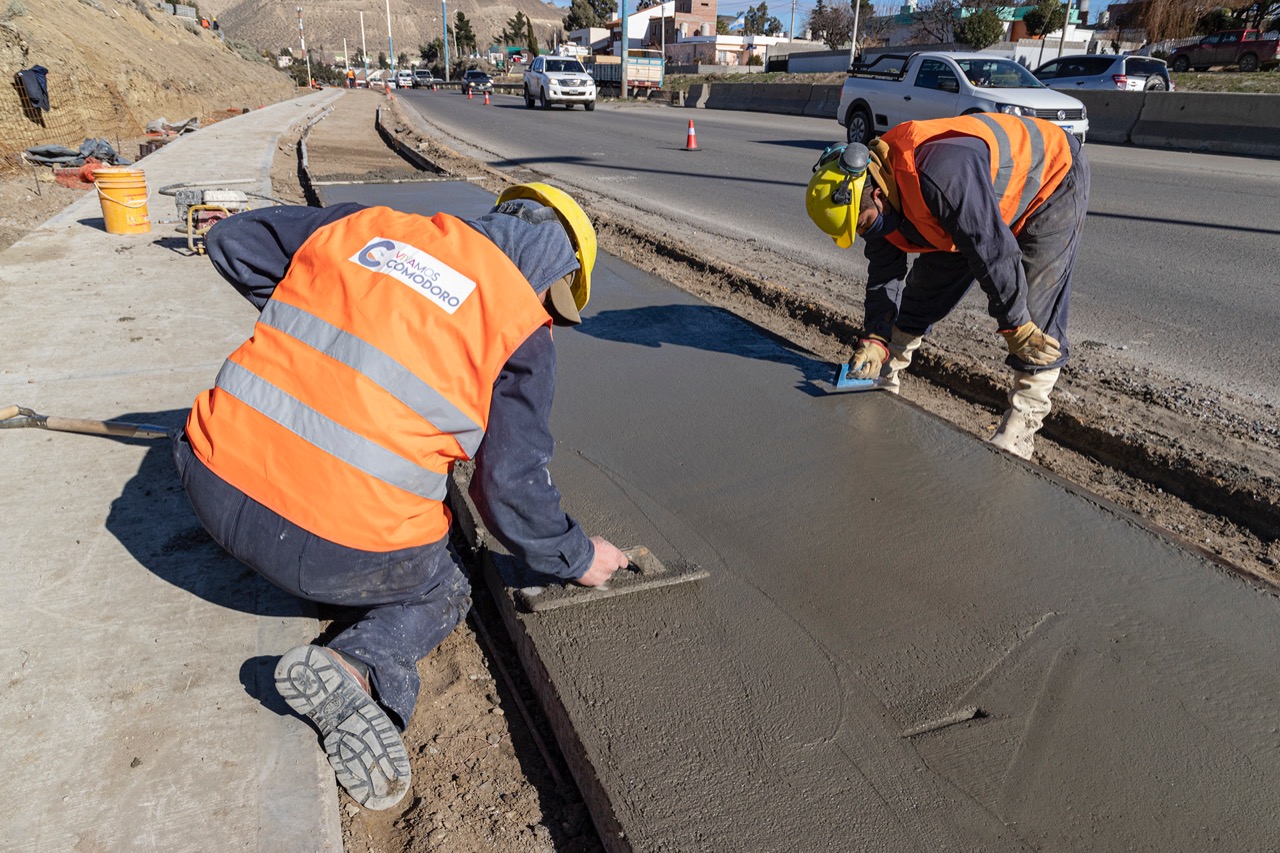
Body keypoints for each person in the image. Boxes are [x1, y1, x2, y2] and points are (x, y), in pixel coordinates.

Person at [173, 183, 630, 809]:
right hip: (328, 551)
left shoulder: (370, 228)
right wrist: (578, 557)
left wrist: (327, 317)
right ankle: (358, 666)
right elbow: (506, 493)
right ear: (557, 275)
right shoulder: (522, 324)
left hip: (206, 482)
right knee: (445, 584)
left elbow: (232, 240)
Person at [805, 114, 1090, 459]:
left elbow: (991, 249)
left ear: (877, 193)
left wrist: (1014, 324)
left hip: (1052, 178)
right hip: (972, 208)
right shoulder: (875, 196)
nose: (865, 232)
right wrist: (875, 338)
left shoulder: (940, 174)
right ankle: (884, 371)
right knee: (925, 289)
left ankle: (1020, 426)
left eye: (863, 223)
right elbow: (884, 273)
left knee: (1034, 312)